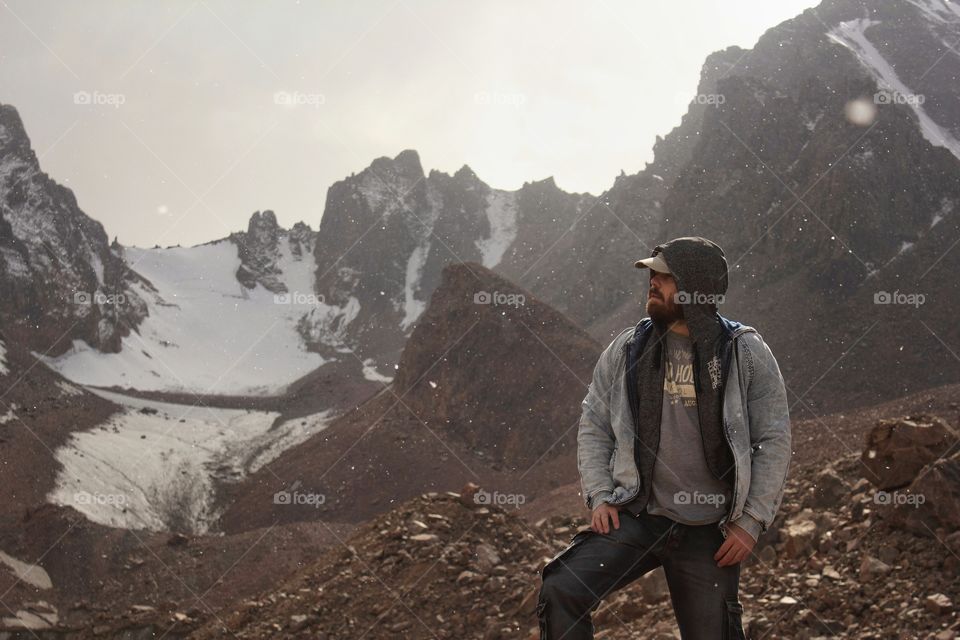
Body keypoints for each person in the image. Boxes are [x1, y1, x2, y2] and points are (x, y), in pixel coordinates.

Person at [536, 236, 791, 639]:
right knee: (561, 588)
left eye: (664, 277)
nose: (652, 284)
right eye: (651, 275)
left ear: (695, 286)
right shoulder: (626, 349)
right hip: (639, 515)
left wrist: (752, 521)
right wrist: (600, 493)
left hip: (710, 529)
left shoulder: (743, 353)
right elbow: (594, 422)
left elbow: (773, 438)